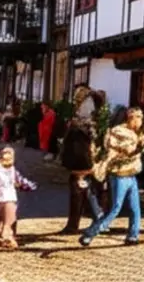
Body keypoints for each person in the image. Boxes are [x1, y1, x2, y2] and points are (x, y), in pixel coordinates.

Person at [80, 106, 144, 247]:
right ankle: (90, 233)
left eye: (141, 117)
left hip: (131, 175)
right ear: (131, 118)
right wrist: (140, 144)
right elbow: (128, 151)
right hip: (119, 176)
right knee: (115, 208)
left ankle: (133, 236)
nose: (141, 120)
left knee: (135, 208)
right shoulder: (118, 132)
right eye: (139, 117)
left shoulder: (135, 132)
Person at [59, 88, 103, 235]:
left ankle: (78, 224)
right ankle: (96, 219)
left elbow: (84, 146)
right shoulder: (81, 121)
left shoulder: (84, 124)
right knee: (87, 192)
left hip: (81, 162)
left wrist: (87, 165)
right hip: (79, 160)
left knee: (80, 191)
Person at [0, 146, 36, 251]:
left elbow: (13, 181)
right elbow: (4, 183)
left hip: (7, 197)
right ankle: (5, 240)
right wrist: (17, 184)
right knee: (7, 223)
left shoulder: (7, 168)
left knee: (0, 223)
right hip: (6, 197)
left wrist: (21, 184)